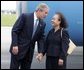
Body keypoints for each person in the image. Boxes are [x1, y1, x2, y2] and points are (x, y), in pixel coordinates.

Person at [9, 3, 49, 69]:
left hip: (29, 53)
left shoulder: (42, 23)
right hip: (18, 50)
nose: (46, 15)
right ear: (39, 10)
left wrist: (40, 52)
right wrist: (14, 44)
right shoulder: (25, 16)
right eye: (45, 13)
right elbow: (15, 30)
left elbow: (41, 38)